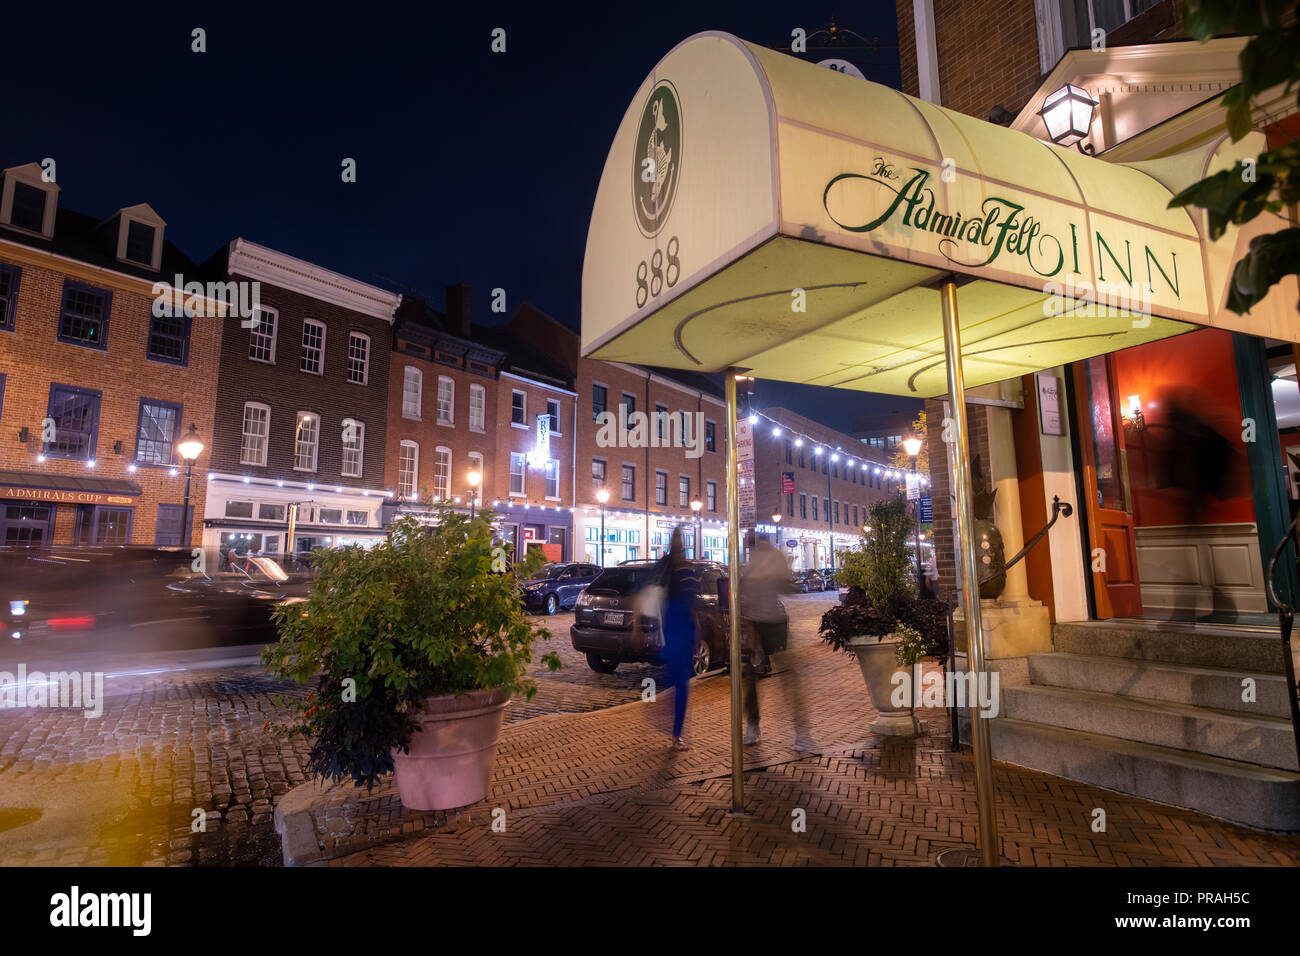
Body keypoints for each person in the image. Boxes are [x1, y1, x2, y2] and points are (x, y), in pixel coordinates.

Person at [740, 539, 812, 750]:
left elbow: (786, 587)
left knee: (789, 677)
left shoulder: (775, 558)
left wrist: (780, 573)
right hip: (756, 624)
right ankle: (753, 725)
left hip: (776, 623)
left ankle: (801, 731)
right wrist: (749, 629)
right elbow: (744, 597)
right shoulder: (751, 562)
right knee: (751, 677)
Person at [658, 528, 699, 750]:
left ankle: (676, 731)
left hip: (679, 629)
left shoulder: (677, 571)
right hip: (676, 629)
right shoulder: (673, 572)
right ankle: (675, 731)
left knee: (679, 683)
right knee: (679, 684)